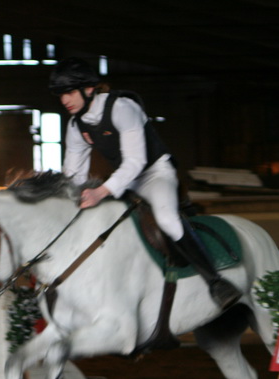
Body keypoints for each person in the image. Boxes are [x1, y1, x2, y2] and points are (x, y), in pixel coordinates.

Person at [49, 57, 241, 309]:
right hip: (126, 181)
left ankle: (215, 282)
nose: (65, 100)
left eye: (70, 92)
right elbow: (73, 175)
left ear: (89, 89)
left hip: (155, 173)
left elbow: (136, 161)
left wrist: (101, 192)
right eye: (61, 94)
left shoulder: (122, 107)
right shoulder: (76, 126)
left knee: (166, 219)